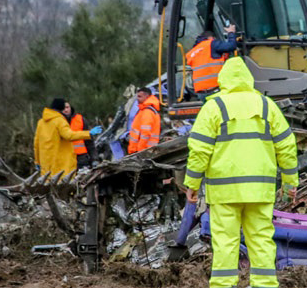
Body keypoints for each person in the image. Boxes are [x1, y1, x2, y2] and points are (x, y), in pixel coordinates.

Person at [183, 57, 298, 288]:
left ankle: (223, 285)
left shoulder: (214, 107)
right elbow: (287, 146)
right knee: (262, 240)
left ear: (222, 80)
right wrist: (289, 183)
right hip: (260, 191)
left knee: (225, 242)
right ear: (248, 79)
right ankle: (265, 284)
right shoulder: (267, 105)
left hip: (225, 192)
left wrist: (192, 184)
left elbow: (199, 150)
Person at [34, 98, 102, 176]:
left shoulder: (41, 123)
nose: (66, 110)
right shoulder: (60, 121)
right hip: (62, 164)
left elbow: (36, 144)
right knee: (67, 185)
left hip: (47, 165)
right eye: (64, 107)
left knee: (50, 184)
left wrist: (37, 161)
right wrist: (89, 133)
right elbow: (69, 135)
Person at [185, 24, 237, 99]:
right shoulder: (211, 43)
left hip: (200, 93)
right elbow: (231, 46)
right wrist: (231, 33)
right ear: (210, 38)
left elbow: (209, 61)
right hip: (215, 90)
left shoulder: (192, 52)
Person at [128, 87, 161, 154]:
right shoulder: (145, 110)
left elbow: (145, 133)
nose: (137, 99)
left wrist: (140, 150)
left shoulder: (147, 112)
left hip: (144, 150)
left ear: (147, 96)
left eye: (140, 96)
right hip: (145, 150)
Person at [63, 103, 96, 169]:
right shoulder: (56, 122)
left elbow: (89, 142)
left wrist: (94, 159)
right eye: (63, 108)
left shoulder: (80, 119)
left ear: (70, 107)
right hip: (65, 160)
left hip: (82, 158)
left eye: (67, 107)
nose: (66, 110)